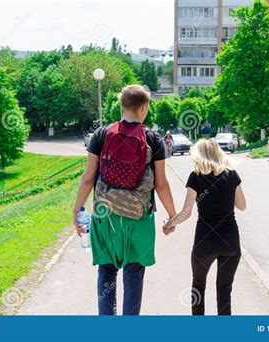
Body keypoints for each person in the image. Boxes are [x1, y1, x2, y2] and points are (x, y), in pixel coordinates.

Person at [73, 85, 177, 316]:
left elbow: (88, 178)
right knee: (133, 273)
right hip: (138, 217)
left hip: (104, 214)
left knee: (107, 271)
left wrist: (76, 209)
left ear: (122, 106)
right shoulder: (153, 138)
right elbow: (161, 184)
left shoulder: (101, 134)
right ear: (144, 107)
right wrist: (172, 215)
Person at [163, 139, 246, 315]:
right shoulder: (232, 174)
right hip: (230, 242)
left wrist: (170, 224)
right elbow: (242, 205)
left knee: (198, 287)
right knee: (224, 290)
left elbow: (186, 212)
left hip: (204, 243)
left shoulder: (196, 176)